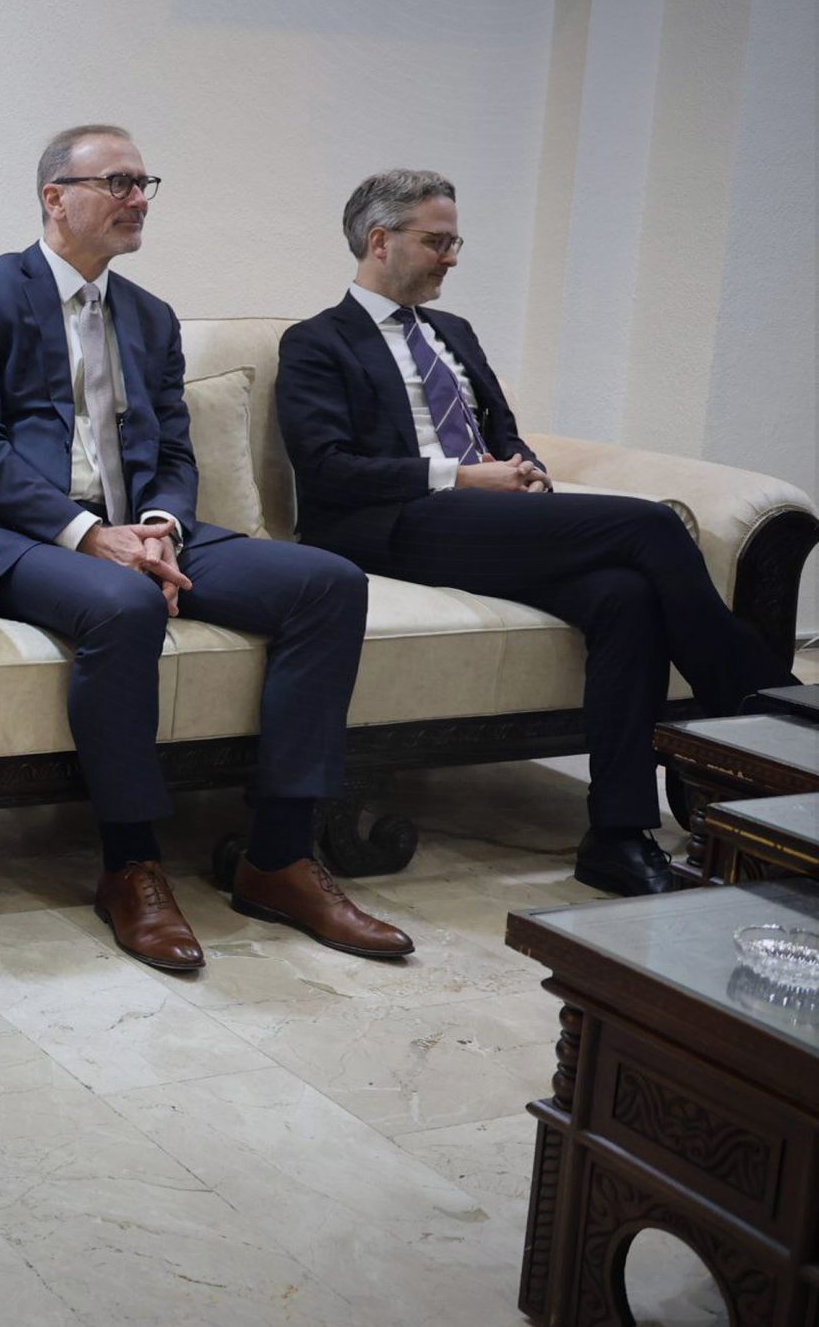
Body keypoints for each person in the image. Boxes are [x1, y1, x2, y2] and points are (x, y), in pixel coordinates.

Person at [0, 124, 412, 973]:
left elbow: (176, 452)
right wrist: (90, 535)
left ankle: (279, 858)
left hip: (142, 528)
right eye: (117, 183)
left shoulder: (149, 316)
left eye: (144, 183)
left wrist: (160, 527)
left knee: (328, 583)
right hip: (22, 533)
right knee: (124, 604)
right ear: (55, 197)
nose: (139, 200)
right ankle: (131, 866)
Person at [276, 170, 796, 895]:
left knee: (623, 597)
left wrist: (524, 472)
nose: (451, 257)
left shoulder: (454, 333)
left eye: (456, 242)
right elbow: (326, 468)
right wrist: (462, 478)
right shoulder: (316, 341)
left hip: (485, 521)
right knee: (649, 525)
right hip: (391, 527)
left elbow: (505, 434)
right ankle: (769, 719)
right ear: (380, 240)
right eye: (437, 241)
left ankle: (618, 836)